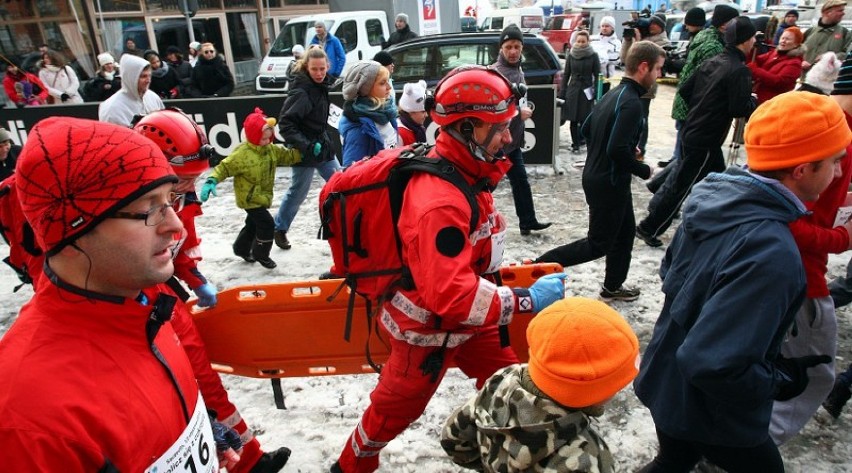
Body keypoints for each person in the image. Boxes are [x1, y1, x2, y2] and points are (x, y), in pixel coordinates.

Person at [329, 65, 568, 473]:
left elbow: (466, 260)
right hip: (426, 331)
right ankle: (353, 464)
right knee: (395, 410)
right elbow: (451, 295)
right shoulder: (439, 200)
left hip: (471, 320)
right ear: (468, 127)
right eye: (500, 127)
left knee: (511, 387)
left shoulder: (466, 171)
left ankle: (503, 453)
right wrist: (527, 299)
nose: (509, 137)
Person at [0, 116, 240, 471]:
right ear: (73, 231)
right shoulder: (29, 420)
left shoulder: (145, 311)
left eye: (170, 200)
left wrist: (195, 431)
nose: (175, 224)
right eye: (149, 208)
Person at [634, 91, 848, 473]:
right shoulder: (772, 251)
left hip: (665, 379)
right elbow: (711, 362)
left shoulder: (715, 197)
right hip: (711, 411)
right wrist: (777, 380)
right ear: (801, 169)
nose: (837, 175)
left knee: (673, 460)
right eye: (834, 163)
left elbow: (671, 275)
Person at [441, 297, 639, 472]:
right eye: (617, 383)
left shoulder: (501, 380)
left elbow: (453, 437)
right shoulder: (585, 458)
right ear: (594, 391)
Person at [536, 41, 663, 302]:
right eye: (658, 69)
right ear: (643, 67)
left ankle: (612, 286)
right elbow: (616, 149)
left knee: (625, 233)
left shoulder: (613, 94)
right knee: (598, 243)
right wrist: (642, 169)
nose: (659, 75)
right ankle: (540, 266)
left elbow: (587, 130)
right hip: (609, 182)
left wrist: (619, 149)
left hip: (601, 177)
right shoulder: (631, 103)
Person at [768, 72, 852, 445]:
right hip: (799, 276)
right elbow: (782, 215)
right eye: (833, 165)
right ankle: (747, 448)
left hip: (795, 273)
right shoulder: (830, 134)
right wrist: (840, 238)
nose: (837, 171)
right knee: (812, 372)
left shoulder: (827, 127)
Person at [636, 17, 757, 248]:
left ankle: (717, 224)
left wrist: (703, 107)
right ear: (745, 41)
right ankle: (649, 226)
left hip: (695, 130)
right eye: (752, 38)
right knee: (682, 185)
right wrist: (752, 101)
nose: (754, 42)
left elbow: (685, 90)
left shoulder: (714, 61)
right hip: (706, 137)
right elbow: (738, 108)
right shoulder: (738, 70)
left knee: (718, 181)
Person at [201, 108, 302, 269]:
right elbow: (224, 167)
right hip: (249, 198)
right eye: (263, 139)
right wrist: (212, 180)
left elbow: (287, 156)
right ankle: (261, 253)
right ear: (254, 137)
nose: (267, 142)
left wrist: (306, 152)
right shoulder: (242, 154)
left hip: (262, 196)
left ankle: (240, 248)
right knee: (267, 224)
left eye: (269, 139)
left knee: (253, 225)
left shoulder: (270, 150)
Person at [273, 46, 341, 250]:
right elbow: (285, 124)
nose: (319, 73)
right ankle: (279, 228)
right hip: (305, 150)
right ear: (306, 68)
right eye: (315, 69)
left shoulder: (321, 85)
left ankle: (347, 223)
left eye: (322, 68)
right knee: (299, 191)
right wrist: (307, 145)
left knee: (341, 182)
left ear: (327, 66)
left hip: (323, 145)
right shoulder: (302, 91)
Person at [491, 24, 552, 236]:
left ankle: (527, 221)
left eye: (517, 46)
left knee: (521, 183)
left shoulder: (517, 70)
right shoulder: (497, 73)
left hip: (512, 141)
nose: (513, 51)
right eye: (508, 46)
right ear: (501, 49)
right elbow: (493, 107)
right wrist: (518, 111)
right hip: (496, 144)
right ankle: (473, 221)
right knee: (486, 186)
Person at [664, 5, 738, 168]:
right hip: (694, 102)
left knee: (682, 146)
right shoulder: (714, 46)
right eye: (734, 21)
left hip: (687, 100)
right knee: (685, 156)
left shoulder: (704, 36)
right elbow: (707, 79)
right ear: (724, 25)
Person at [621, 13, 669, 161]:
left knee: (642, 117)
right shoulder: (643, 35)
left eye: (653, 24)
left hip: (646, 84)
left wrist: (639, 41)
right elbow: (625, 58)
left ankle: (640, 148)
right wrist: (628, 40)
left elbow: (646, 60)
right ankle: (629, 145)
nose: (650, 26)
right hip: (631, 82)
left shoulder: (662, 42)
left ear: (660, 27)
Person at [339, 60, 397, 167]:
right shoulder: (359, 128)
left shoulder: (386, 112)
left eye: (388, 81)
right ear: (367, 89)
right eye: (382, 83)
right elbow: (352, 172)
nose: (389, 87)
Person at [561, 31, 600, 155]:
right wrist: (563, 91)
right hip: (573, 90)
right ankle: (575, 144)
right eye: (579, 41)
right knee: (573, 119)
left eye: (583, 41)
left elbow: (598, 75)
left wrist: (596, 91)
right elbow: (566, 74)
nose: (581, 44)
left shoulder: (593, 55)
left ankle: (585, 141)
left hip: (586, 90)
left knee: (585, 119)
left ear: (588, 41)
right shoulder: (571, 55)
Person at [99, 54, 164, 127]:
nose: (148, 80)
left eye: (149, 76)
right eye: (143, 76)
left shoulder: (153, 97)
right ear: (131, 78)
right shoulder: (112, 108)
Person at [749, 27, 805, 104]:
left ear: (796, 44)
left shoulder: (795, 63)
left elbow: (778, 81)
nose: (783, 41)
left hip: (772, 102)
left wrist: (756, 70)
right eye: (782, 38)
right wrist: (752, 47)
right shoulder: (774, 53)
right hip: (758, 96)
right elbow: (757, 60)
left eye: (788, 39)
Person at [802, 0, 851, 74]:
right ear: (827, 12)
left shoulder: (845, 33)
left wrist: (827, 57)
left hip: (827, 79)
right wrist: (801, 61)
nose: (843, 13)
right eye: (840, 10)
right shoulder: (809, 31)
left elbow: (847, 55)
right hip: (805, 77)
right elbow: (798, 51)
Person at [589, 16, 621, 97]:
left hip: (604, 79)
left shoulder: (616, 42)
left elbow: (616, 58)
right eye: (602, 26)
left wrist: (601, 56)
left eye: (607, 26)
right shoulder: (592, 39)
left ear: (612, 28)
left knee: (601, 100)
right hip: (590, 77)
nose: (604, 28)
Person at [397, 79, 428, 146]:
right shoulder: (400, 134)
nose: (426, 115)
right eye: (423, 112)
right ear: (411, 112)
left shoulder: (417, 128)